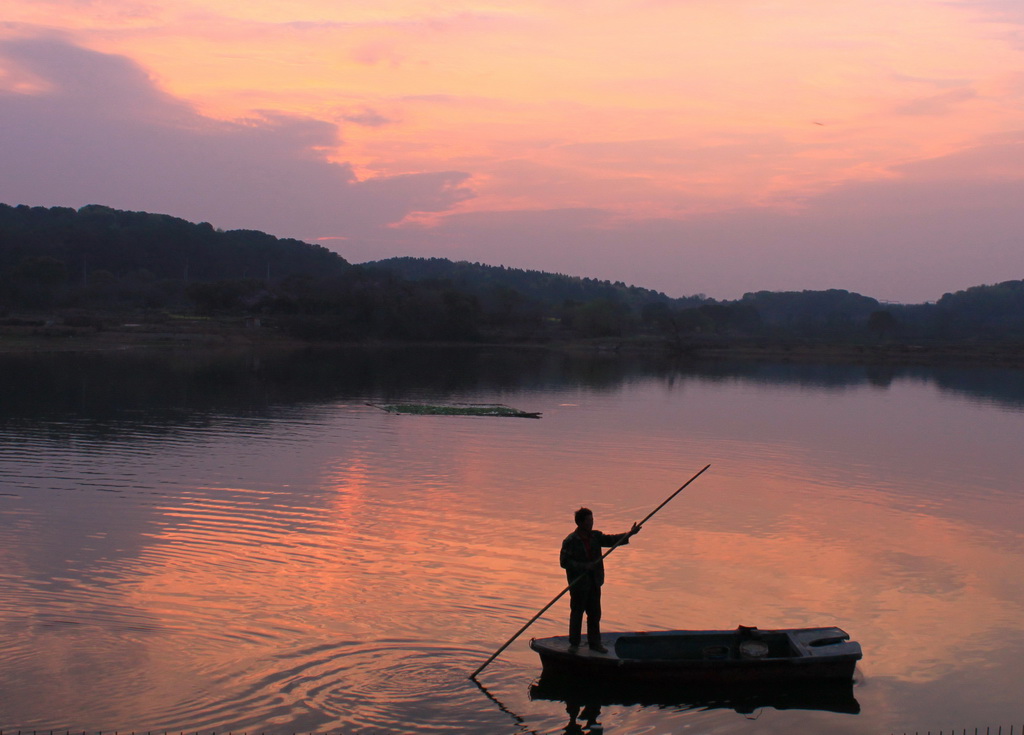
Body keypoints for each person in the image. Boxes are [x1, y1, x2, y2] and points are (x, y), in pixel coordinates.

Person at [560, 506, 640, 653]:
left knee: (595, 614)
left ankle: (595, 644)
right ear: (580, 522)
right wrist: (584, 566)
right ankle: (574, 644)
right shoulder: (571, 540)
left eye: (592, 520)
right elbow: (564, 562)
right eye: (589, 520)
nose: (592, 523)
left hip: (594, 582)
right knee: (577, 614)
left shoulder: (595, 537)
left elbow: (611, 540)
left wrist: (630, 533)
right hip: (579, 585)